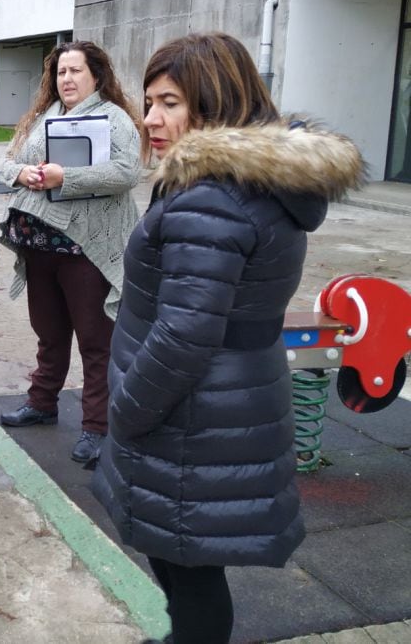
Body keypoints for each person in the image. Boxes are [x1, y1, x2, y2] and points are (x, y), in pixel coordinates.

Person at [92, 33, 364, 644]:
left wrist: (127, 409)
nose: (150, 119)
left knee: (189, 574)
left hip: (191, 416)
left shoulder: (210, 196)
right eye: (149, 101)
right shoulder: (253, 185)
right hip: (222, 402)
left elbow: (184, 332)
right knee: (189, 566)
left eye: (169, 103)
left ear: (213, 106)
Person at [0, 41, 141, 465]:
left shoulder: (114, 119)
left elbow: (128, 172)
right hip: (40, 245)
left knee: (97, 341)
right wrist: (23, 172)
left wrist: (67, 177)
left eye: (76, 71)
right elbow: (7, 164)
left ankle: (98, 427)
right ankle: (42, 403)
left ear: (96, 75)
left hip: (87, 250)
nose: (67, 79)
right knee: (49, 333)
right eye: (61, 72)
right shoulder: (44, 118)